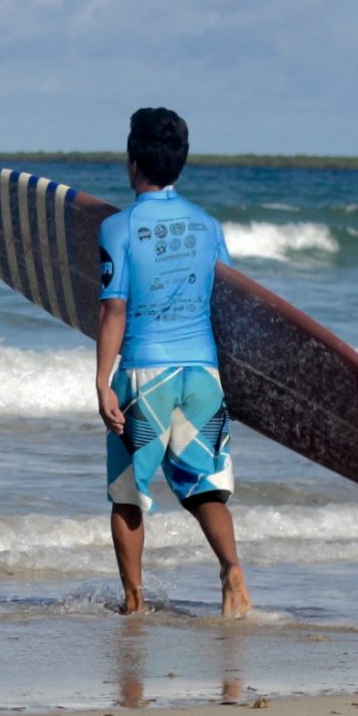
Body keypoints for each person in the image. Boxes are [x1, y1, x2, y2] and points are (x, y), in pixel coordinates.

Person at [94, 107, 250, 618]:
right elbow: (228, 302)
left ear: (132, 160)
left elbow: (114, 308)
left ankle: (134, 601)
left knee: (128, 493)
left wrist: (102, 381)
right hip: (202, 373)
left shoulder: (120, 226)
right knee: (204, 486)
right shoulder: (208, 226)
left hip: (145, 373)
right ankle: (231, 570)